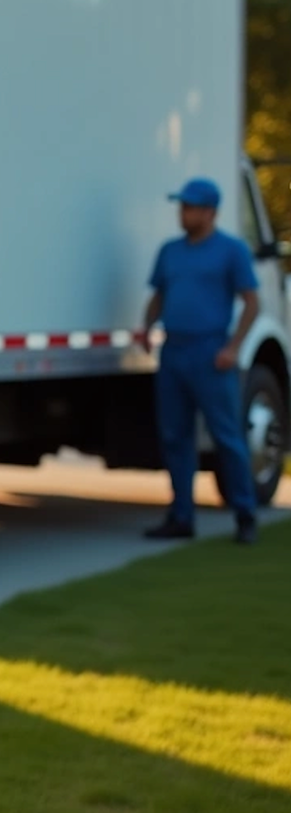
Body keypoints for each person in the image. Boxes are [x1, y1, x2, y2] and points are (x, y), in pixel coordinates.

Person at [139, 176, 262, 545]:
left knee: (227, 437)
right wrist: (147, 327)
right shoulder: (170, 252)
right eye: (182, 206)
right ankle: (181, 515)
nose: (183, 213)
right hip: (174, 352)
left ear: (210, 212)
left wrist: (233, 347)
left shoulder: (231, 251)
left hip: (211, 354)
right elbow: (159, 294)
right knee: (175, 437)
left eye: (190, 207)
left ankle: (245, 514)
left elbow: (252, 302)